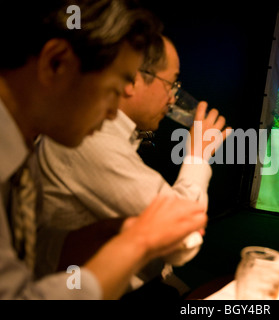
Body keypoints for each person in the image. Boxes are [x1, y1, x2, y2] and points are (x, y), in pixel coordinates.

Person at [0, 0, 207, 299]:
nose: (113, 113)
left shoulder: (20, 154)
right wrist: (138, 241)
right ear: (56, 63)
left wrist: (110, 232)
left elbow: (29, 254)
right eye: (113, 89)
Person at [35, 34, 230, 296]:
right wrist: (197, 156)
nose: (173, 98)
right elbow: (183, 241)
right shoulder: (90, 141)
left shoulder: (112, 136)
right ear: (135, 79)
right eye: (171, 84)